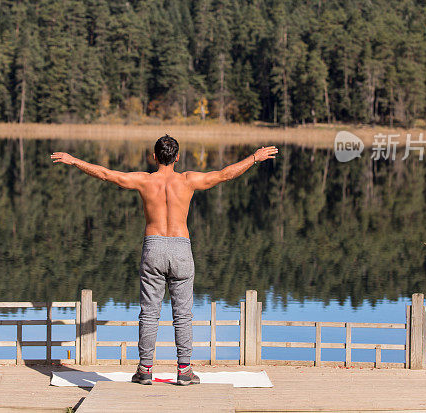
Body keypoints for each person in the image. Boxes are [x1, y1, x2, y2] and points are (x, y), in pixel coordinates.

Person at [51, 135, 278, 385]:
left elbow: (106, 174)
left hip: (154, 247)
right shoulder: (188, 180)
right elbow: (225, 174)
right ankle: (184, 370)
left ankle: (145, 369)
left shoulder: (145, 181)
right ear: (177, 157)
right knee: (183, 315)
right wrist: (254, 158)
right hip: (181, 248)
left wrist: (74, 161)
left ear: (155, 156)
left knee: (149, 314)